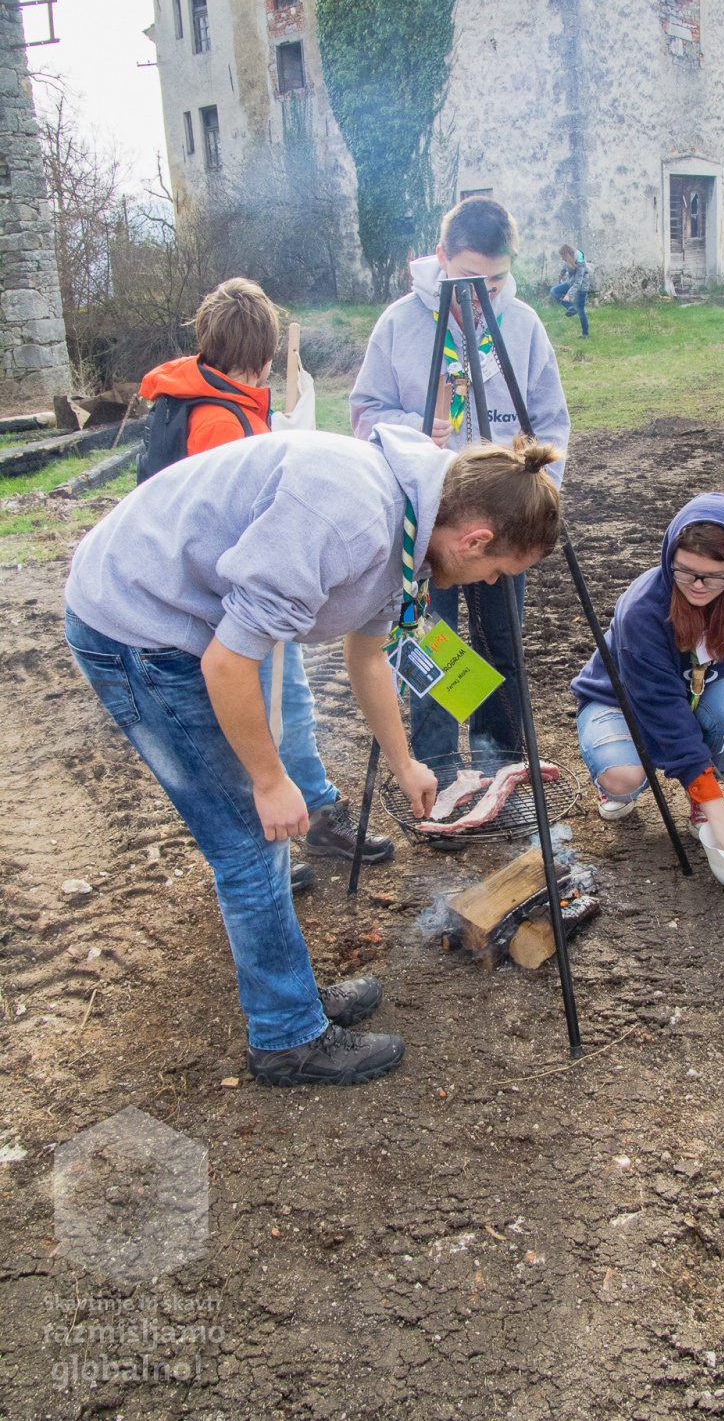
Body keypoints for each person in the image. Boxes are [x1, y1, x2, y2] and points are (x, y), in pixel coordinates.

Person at [65, 428, 561, 1085]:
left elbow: (369, 656)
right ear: (473, 540)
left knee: (258, 838)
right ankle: (285, 1037)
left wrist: (406, 760)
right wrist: (271, 781)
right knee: (249, 841)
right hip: (139, 625)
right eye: (497, 570)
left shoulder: (416, 521)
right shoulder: (349, 518)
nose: (492, 580)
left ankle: (293, 997)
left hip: (194, 625)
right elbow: (228, 661)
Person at [139, 278, 394, 881]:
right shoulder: (218, 421)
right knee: (264, 709)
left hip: (230, 593)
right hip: (226, 600)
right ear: (261, 357)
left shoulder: (188, 394)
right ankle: (271, 834)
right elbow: (234, 520)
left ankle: (311, 809)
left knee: (294, 702)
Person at [350, 197, 571, 783]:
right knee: (430, 640)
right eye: (473, 277)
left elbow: (550, 422)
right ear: (442, 257)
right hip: (431, 521)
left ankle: (501, 759)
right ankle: (440, 766)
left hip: (504, 519)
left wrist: (538, 500)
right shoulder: (401, 321)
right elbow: (365, 411)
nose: (486, 291)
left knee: (504, 641)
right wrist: (416, 428)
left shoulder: (519, 322)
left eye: (497, 278)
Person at [571, 494, 724, 854]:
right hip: (621, 700)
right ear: (668, 559)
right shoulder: (642, 608)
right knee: (623, 777)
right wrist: (721, 815)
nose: (697, 586)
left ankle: (700, 796)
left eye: (713, 578)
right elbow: (663, 708)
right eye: (684, 571)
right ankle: (637, 780)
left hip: (700, 691)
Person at [550, 244, 590, 337]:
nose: (562, 259)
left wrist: (569, 295)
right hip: (570, 282)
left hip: (581, 285)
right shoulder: (569, 258)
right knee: (554, 291)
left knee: (580, 310)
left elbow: (578, 283)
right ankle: (570, 308)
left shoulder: (580, 261)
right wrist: (562, 273)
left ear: (567, 255)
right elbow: (565, 265)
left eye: (562, 256)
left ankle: (585, 334)